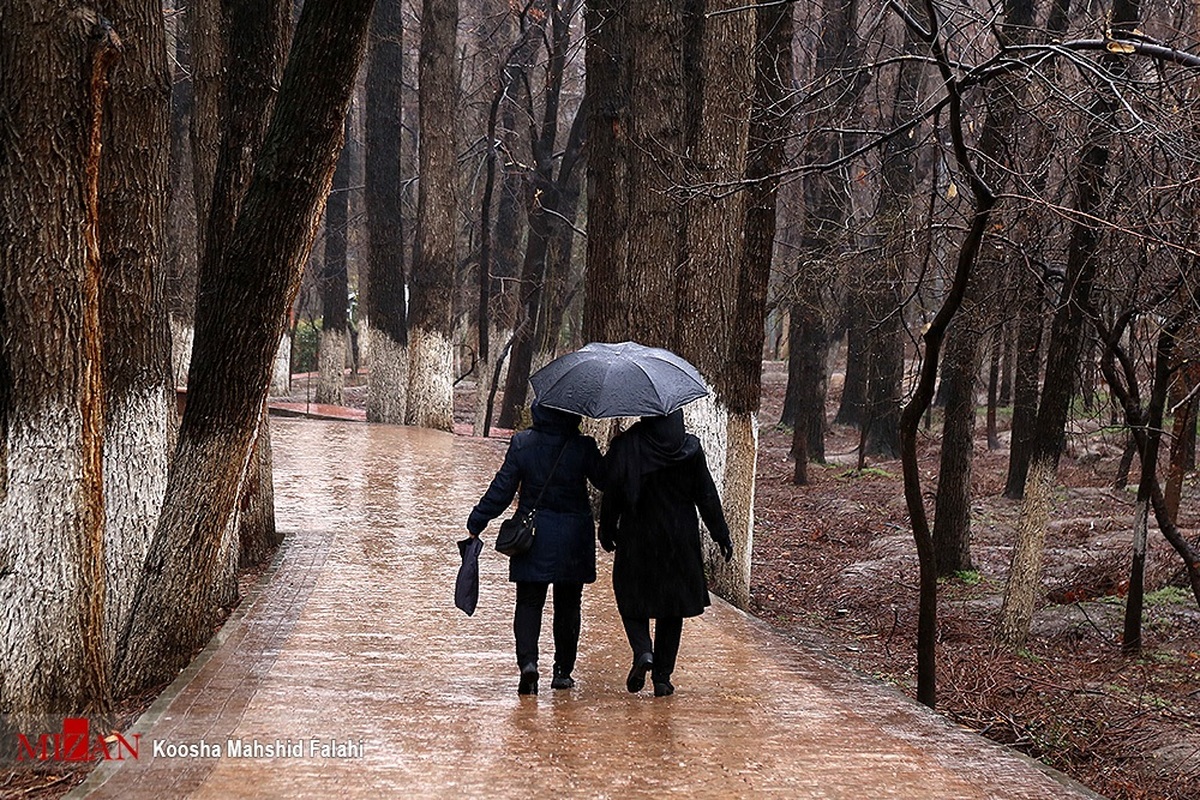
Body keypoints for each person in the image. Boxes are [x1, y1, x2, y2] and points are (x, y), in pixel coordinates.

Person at [467, 402, 604, 695]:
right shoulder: (583, 446)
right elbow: (606, 481)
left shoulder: (522, 443)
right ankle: (563, 673)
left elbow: (502, 489)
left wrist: (478, 520)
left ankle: (528, 665)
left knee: (529, 604)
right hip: (573, 539)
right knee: (569, 606)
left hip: (533, 537)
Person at [599, 409, 733, 697]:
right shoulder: (690, 448)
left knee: (630, 596)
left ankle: (643, 651)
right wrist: (721, 534)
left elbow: (612, 490)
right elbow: (706, 495)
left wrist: (607, 529)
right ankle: (662, 677)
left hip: (637, 536)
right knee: (672, 609)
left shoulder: (629, 445)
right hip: (679, 539)